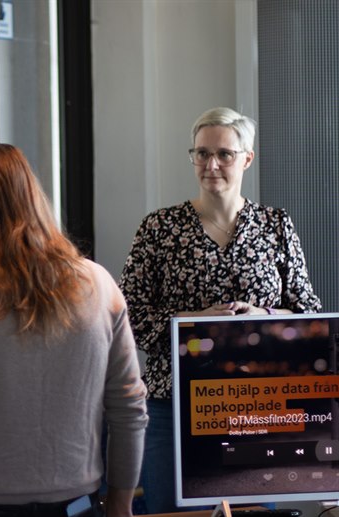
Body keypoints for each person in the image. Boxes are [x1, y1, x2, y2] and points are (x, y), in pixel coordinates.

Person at [0, 142, 148, 517]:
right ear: (32, 194)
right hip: (77, 503)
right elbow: (129, 406)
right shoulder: (99, 285)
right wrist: (120, 502)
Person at [119, 107, 322, 514]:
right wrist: (193, 323)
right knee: (170, 512)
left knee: (252, 512)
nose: (211, 165)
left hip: (257, 405)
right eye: (202, 153)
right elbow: (128, 316)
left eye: (224, 154)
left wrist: (263, 318)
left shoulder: (276, 226)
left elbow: (309, 314)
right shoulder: (159, 228)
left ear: (247, 159)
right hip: (172, 404)